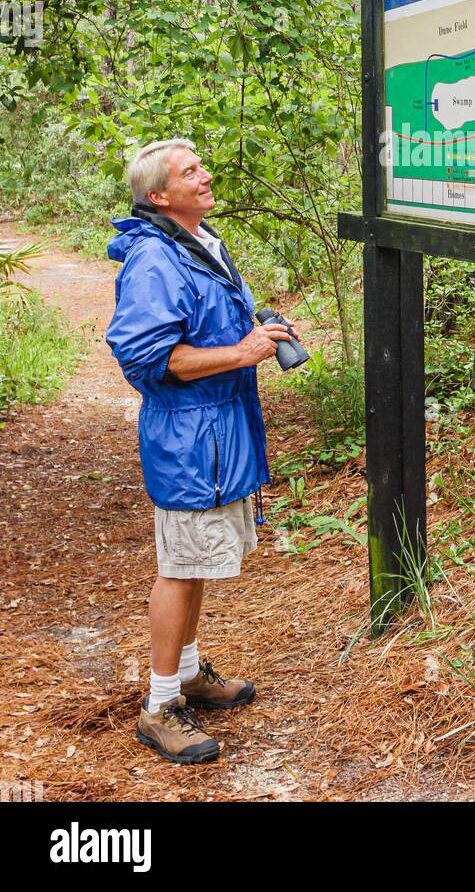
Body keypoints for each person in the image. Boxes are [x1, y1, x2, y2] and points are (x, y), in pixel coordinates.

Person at [106, 139, 294, 765]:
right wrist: (242, 353)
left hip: (223, 431)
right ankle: (161, 706)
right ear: (158, 196)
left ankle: (186, 673)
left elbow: (205, 329)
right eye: (190, 172)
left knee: (201, 562)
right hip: (189, 441)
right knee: (181, 567)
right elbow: (146, 357)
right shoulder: (154, 261)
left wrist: (253, 332)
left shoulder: (201, 243)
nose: (205, 175)